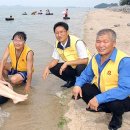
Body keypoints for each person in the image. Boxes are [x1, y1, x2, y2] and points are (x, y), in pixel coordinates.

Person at [72, 29, 130, 130]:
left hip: (123, 97)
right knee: (83, 88)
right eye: (98, 42)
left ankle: (117, 118)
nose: (101, 45)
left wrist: (98, 98)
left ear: (114, 43)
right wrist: (77, 85)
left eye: (105, 42)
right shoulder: (95, 57)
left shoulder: (124, 61)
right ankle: (103, 106)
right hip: (103, 91)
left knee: (115, 104)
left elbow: (124, 90)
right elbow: (86, 75)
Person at [43, 22, 91, 88]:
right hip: (72, 66)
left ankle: (83, 84)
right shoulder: (57, 43)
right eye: (57, 33)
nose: (59, 35)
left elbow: (85, 60)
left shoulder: (77, 42)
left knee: (80, 67)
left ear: (67, 32)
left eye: (61, 32)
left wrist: (67, 63)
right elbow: (55, 60)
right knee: (53, 67)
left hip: (87, 67)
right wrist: (47, 67)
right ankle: (71, 81)